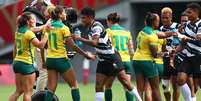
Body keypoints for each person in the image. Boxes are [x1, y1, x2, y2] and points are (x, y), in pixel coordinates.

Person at [73, 7, 142, 101]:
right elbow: (101, 45)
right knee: (98, 86)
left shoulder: (96, 26)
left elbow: (95, 43)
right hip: (103, 60)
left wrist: (79, 38)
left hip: (113, 58)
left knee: (126, 83)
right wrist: (95, 55)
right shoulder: (90, 28)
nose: (82, 20)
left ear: (90, 17)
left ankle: (139, 99)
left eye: (83, 18)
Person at [44, 5, 96, 101]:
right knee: (74, 85)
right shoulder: (64, 28)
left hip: (50, 60)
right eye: (64, 12)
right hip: (61, 60)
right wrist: (86, 55)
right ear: (60, 15)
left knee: (51, 89)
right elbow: (73, 46)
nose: (65, 14)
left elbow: (45, 45)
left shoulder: (48, 27)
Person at [9, 12, 48, 101]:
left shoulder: (18, 31)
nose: (35, 20)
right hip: (26, 64)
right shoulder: (29, 33)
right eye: (33, 19)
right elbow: (41, 45)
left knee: (18, 91)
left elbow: (14, 49)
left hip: (17, 63)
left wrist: (45, 26)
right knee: (28, 92)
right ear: (28, 22)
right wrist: (47, 34)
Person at [104, 12, 135, 101]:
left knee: (108, 86)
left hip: (115, 61)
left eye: (107, 21)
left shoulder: (108, 31)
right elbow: (131, 49)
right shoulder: (127, 32)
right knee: (127, 86)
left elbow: (107, 47)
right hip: (127, 61)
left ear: (109, 21)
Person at [132, 12, 161, 101]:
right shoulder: (152, 35)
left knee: (140, 88)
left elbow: (137, 45)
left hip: (136, 60)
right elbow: (154, 54)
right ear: (154, 22)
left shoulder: (141, 32)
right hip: (147, 61)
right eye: (157, 21)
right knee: (155, 87)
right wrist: (165, 54)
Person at [176, 3, 201, 101]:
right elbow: (183, 44)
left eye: (189, 12)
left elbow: (199, 43)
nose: (187, 14)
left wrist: (187, 39)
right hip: (188, 57)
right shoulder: (185, 26)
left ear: (196, 12)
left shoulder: (200, 24)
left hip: (199, 57)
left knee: (197, 84)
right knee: (180, 79)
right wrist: (175, 51)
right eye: (187, 12)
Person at [159, 7, 181, 101]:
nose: (164, 20)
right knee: (165, 86)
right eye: (163, 18)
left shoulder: (178, 26)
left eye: (166, 18)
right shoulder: (160, 29)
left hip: (176, 58)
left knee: (175, 85)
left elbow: (182, 41)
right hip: (165, 59)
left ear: (171, 17)